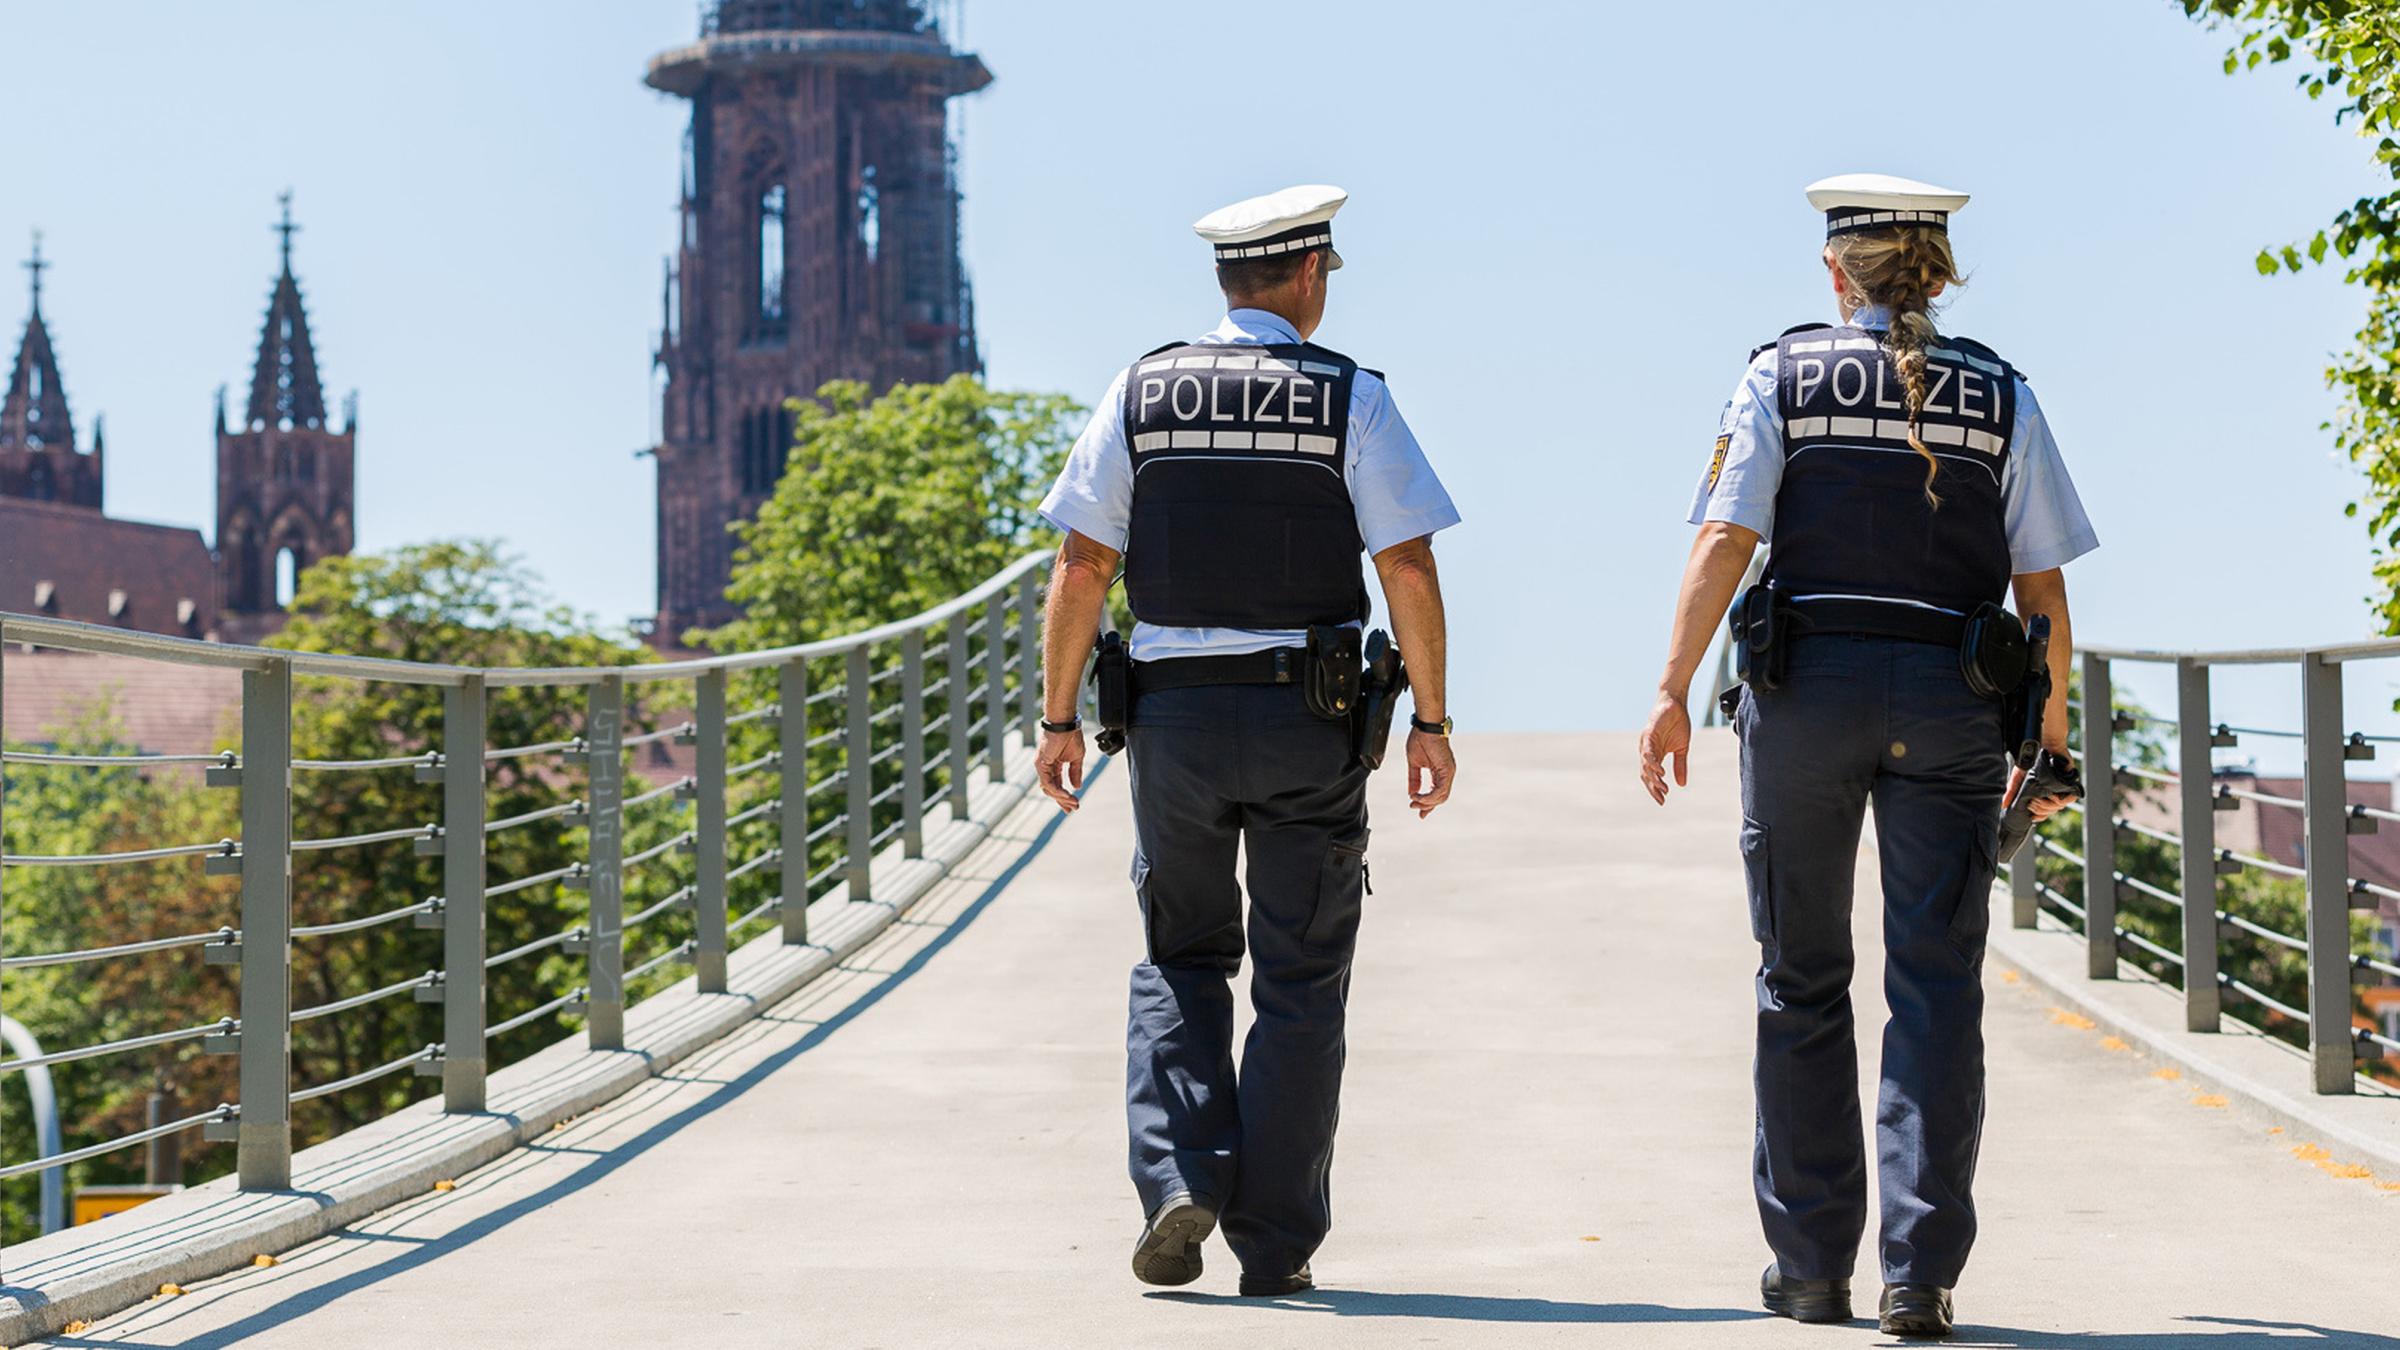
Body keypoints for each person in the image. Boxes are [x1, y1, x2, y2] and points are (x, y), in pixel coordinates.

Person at [1637, 173, 2096, 1340]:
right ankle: (1918, 1276)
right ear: (1937, 271)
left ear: (1835, 271)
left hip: (1806, 698)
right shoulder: (2002, 393)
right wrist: (2047, 743)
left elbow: (1725, 539)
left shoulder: (1779, 376)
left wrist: (1671, 690)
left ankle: (1806, 1269)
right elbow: (2040, 586)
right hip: (1951, 702)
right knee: (1935, 987)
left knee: (1800, 978)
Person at [1032, 184, 1461, 1298]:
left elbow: (1082, 565)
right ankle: (1274, 1246)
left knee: (1180, 958)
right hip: (1305, 723)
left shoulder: (1142, 389)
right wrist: (1432, 717)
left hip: (1170, 724)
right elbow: (1405, 566)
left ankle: (1178, 1178)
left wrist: (1059, 718)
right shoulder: (1348, 399)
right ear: (1309, 276)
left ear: (1227, 281)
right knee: (1302, 980)